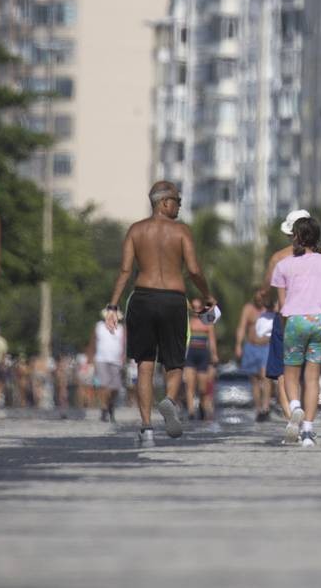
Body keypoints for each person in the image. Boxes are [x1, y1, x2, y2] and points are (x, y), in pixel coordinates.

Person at [104, 181, 215, 447]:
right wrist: (208, 295)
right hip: (173, 299)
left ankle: (146, 428)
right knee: (174, 363)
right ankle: (169, 401)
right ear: (164, 202)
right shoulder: (181, 231)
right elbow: (194, 270)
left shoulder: (135, 230)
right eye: (177, 201)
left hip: (141, 299)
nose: (179, 206)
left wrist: (113, 304)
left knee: (144, 364)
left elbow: (124, 271)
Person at [271, 216, 321, 447]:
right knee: (312, 378)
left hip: (295, 321)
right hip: (319, 321)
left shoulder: (283, 265)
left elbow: (282, 308)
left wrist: (286, 329)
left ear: (296, 237)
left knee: (291, 374)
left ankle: (295, 407)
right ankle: (308, 433)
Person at [263, 209, 311, 420]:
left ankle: (291, 417)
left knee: (283, 372)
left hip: (285, 317)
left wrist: (267, 302)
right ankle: (308, 422)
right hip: (312, 317)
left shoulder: (278, 258)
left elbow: (266, 290)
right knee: (308, 372)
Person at [236, 287, 274, 422]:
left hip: (266, 346)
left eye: (261, 298)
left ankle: (266, 407)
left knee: (266, 376)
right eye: (257, 298)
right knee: (255, 380)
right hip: (251, 347)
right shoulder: (248, 309)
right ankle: (258, 408)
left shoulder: (269, 310)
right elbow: (241, 327)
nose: (259, 300)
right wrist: (238, 345)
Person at [184, 297, 219, 421]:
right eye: (194, 307)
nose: (196, 310)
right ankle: (191, 411)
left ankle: (202, 407)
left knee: (203, 387)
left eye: (198, 307)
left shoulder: (207, 322)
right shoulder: (188, 322)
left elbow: (212, 339)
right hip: (190, 355)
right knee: (190, 385)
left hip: (203, 355)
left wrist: (214, 354)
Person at [87, 315, 125, 422]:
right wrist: (90, 357)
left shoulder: (121, 328)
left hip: (116, 361)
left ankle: (110, 405)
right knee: (103, 386)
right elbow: (93, 342)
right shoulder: (99, 326)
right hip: (101, 359)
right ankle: (104, 409)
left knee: (115, 388)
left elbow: (124, 344)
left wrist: (124, 357)